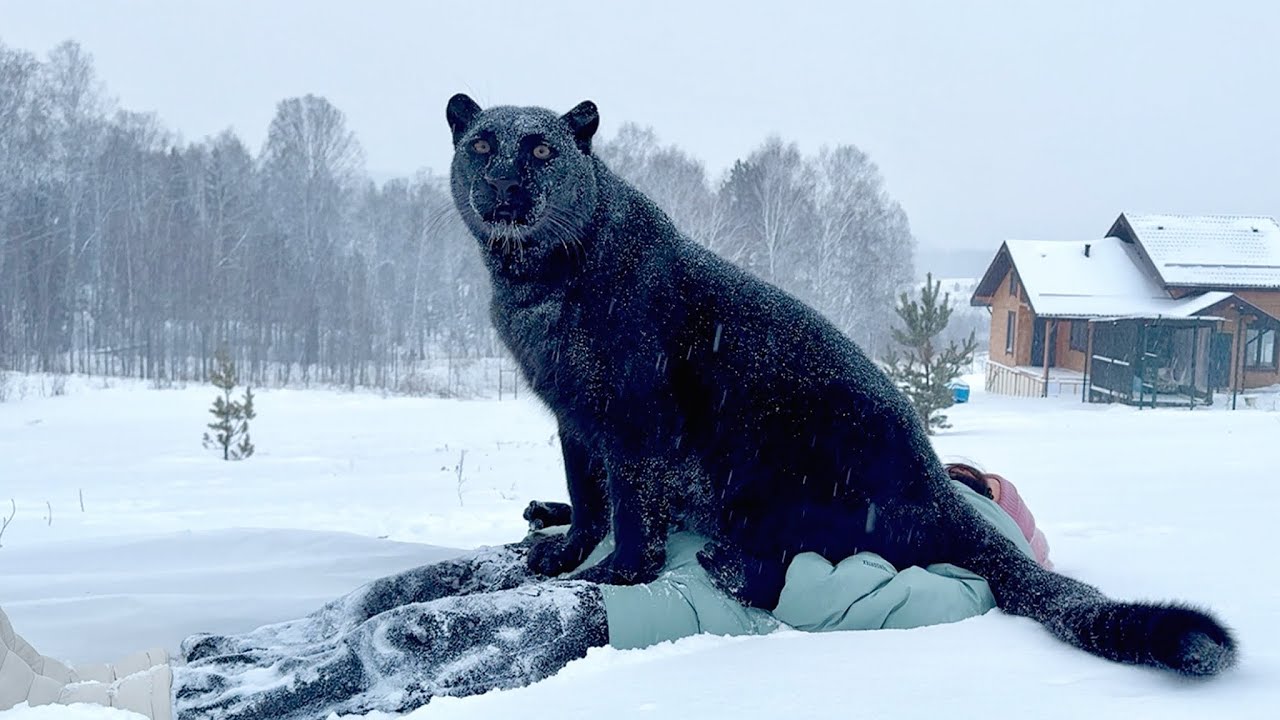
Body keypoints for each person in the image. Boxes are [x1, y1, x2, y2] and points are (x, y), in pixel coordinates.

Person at [1, 465, 1050, 720]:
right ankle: (99, 676)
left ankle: (99, 706)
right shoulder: (865, 484)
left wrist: (747, 549)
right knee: (385, 600)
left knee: (406, 644)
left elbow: (822, 604)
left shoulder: (971, 569)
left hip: (628, 617)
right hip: (591, 565)